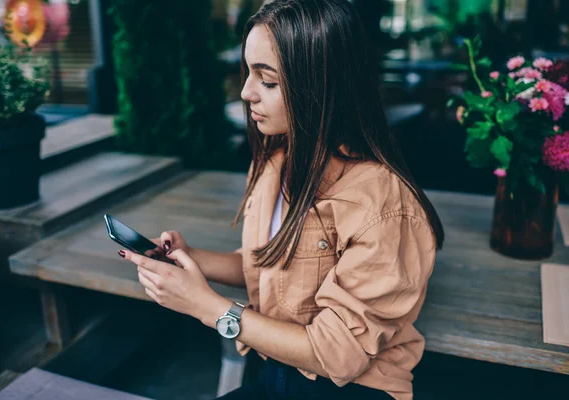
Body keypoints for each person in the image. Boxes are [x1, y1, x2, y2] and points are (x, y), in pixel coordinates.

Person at [119, 0, 444, 399]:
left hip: (351, 389)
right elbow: (271, 267)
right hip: (276, 372)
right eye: (248, 73)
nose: (245, 92)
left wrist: (206, 306)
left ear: (321, 86)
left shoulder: (383, 204)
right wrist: (191, 259)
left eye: (267, 81)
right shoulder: (276, 163)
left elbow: (338, 356)